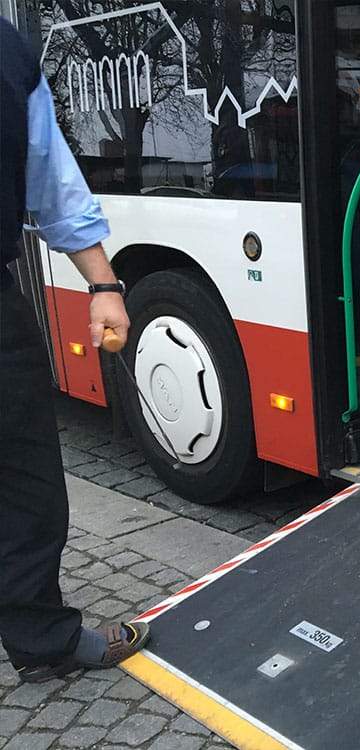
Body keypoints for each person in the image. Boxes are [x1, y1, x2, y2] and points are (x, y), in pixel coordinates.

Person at [1, 17, 150, 683]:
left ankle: (43, 640)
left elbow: (50, 176)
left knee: (28, 479)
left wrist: (104, 283)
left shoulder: (8, 52)